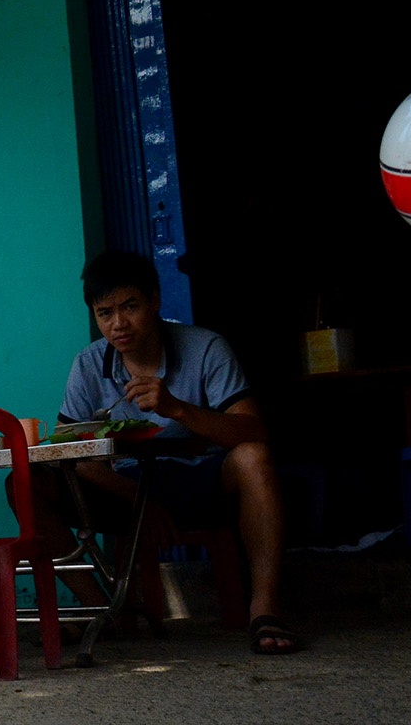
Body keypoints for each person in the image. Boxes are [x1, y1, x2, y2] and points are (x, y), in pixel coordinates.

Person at [50, 250, 301, 654]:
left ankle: (265, 608)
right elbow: (68, 451)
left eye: (130, 307)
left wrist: (177, 408)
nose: (118, 324)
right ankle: (99, 606)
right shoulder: (88, 364)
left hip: (200, 479)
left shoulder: (205, 347)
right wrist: (138, 500)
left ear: (154, 300)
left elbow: (254, 429)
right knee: (28, 486)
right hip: (127, 487)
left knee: (254, 457)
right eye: (105, 312)